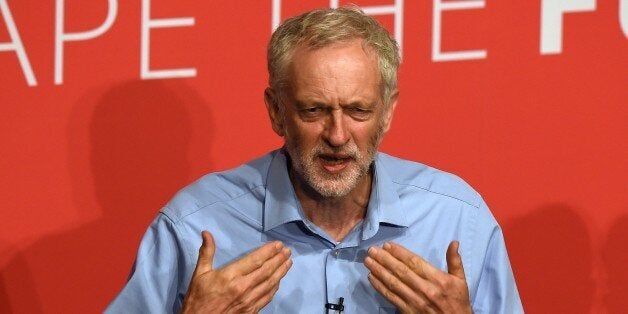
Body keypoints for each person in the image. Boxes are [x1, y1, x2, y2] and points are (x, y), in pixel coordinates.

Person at [107, 7, 522, 313]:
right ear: (275, 110)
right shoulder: (193, 227)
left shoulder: (457, 220)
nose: (338, 136)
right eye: (313, 110)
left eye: (358, 111)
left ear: (389, 111)